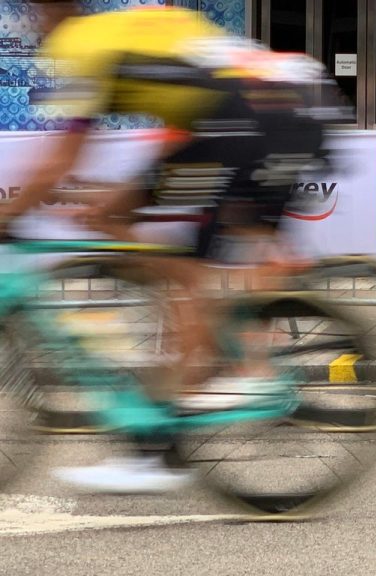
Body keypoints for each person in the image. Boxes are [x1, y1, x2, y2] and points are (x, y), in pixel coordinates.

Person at [0, 1, 343, 493]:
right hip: (254, 114)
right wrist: (117, 199)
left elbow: (61, 156)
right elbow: (189, 106)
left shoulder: (81, 45)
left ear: (54, 12)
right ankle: (181, 378)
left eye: (34, 14)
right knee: (125, 226)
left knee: (200, 264)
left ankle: (249, 369)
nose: (32, 25)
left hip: (262, 120)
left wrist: (11, 213)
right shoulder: (123, 31)